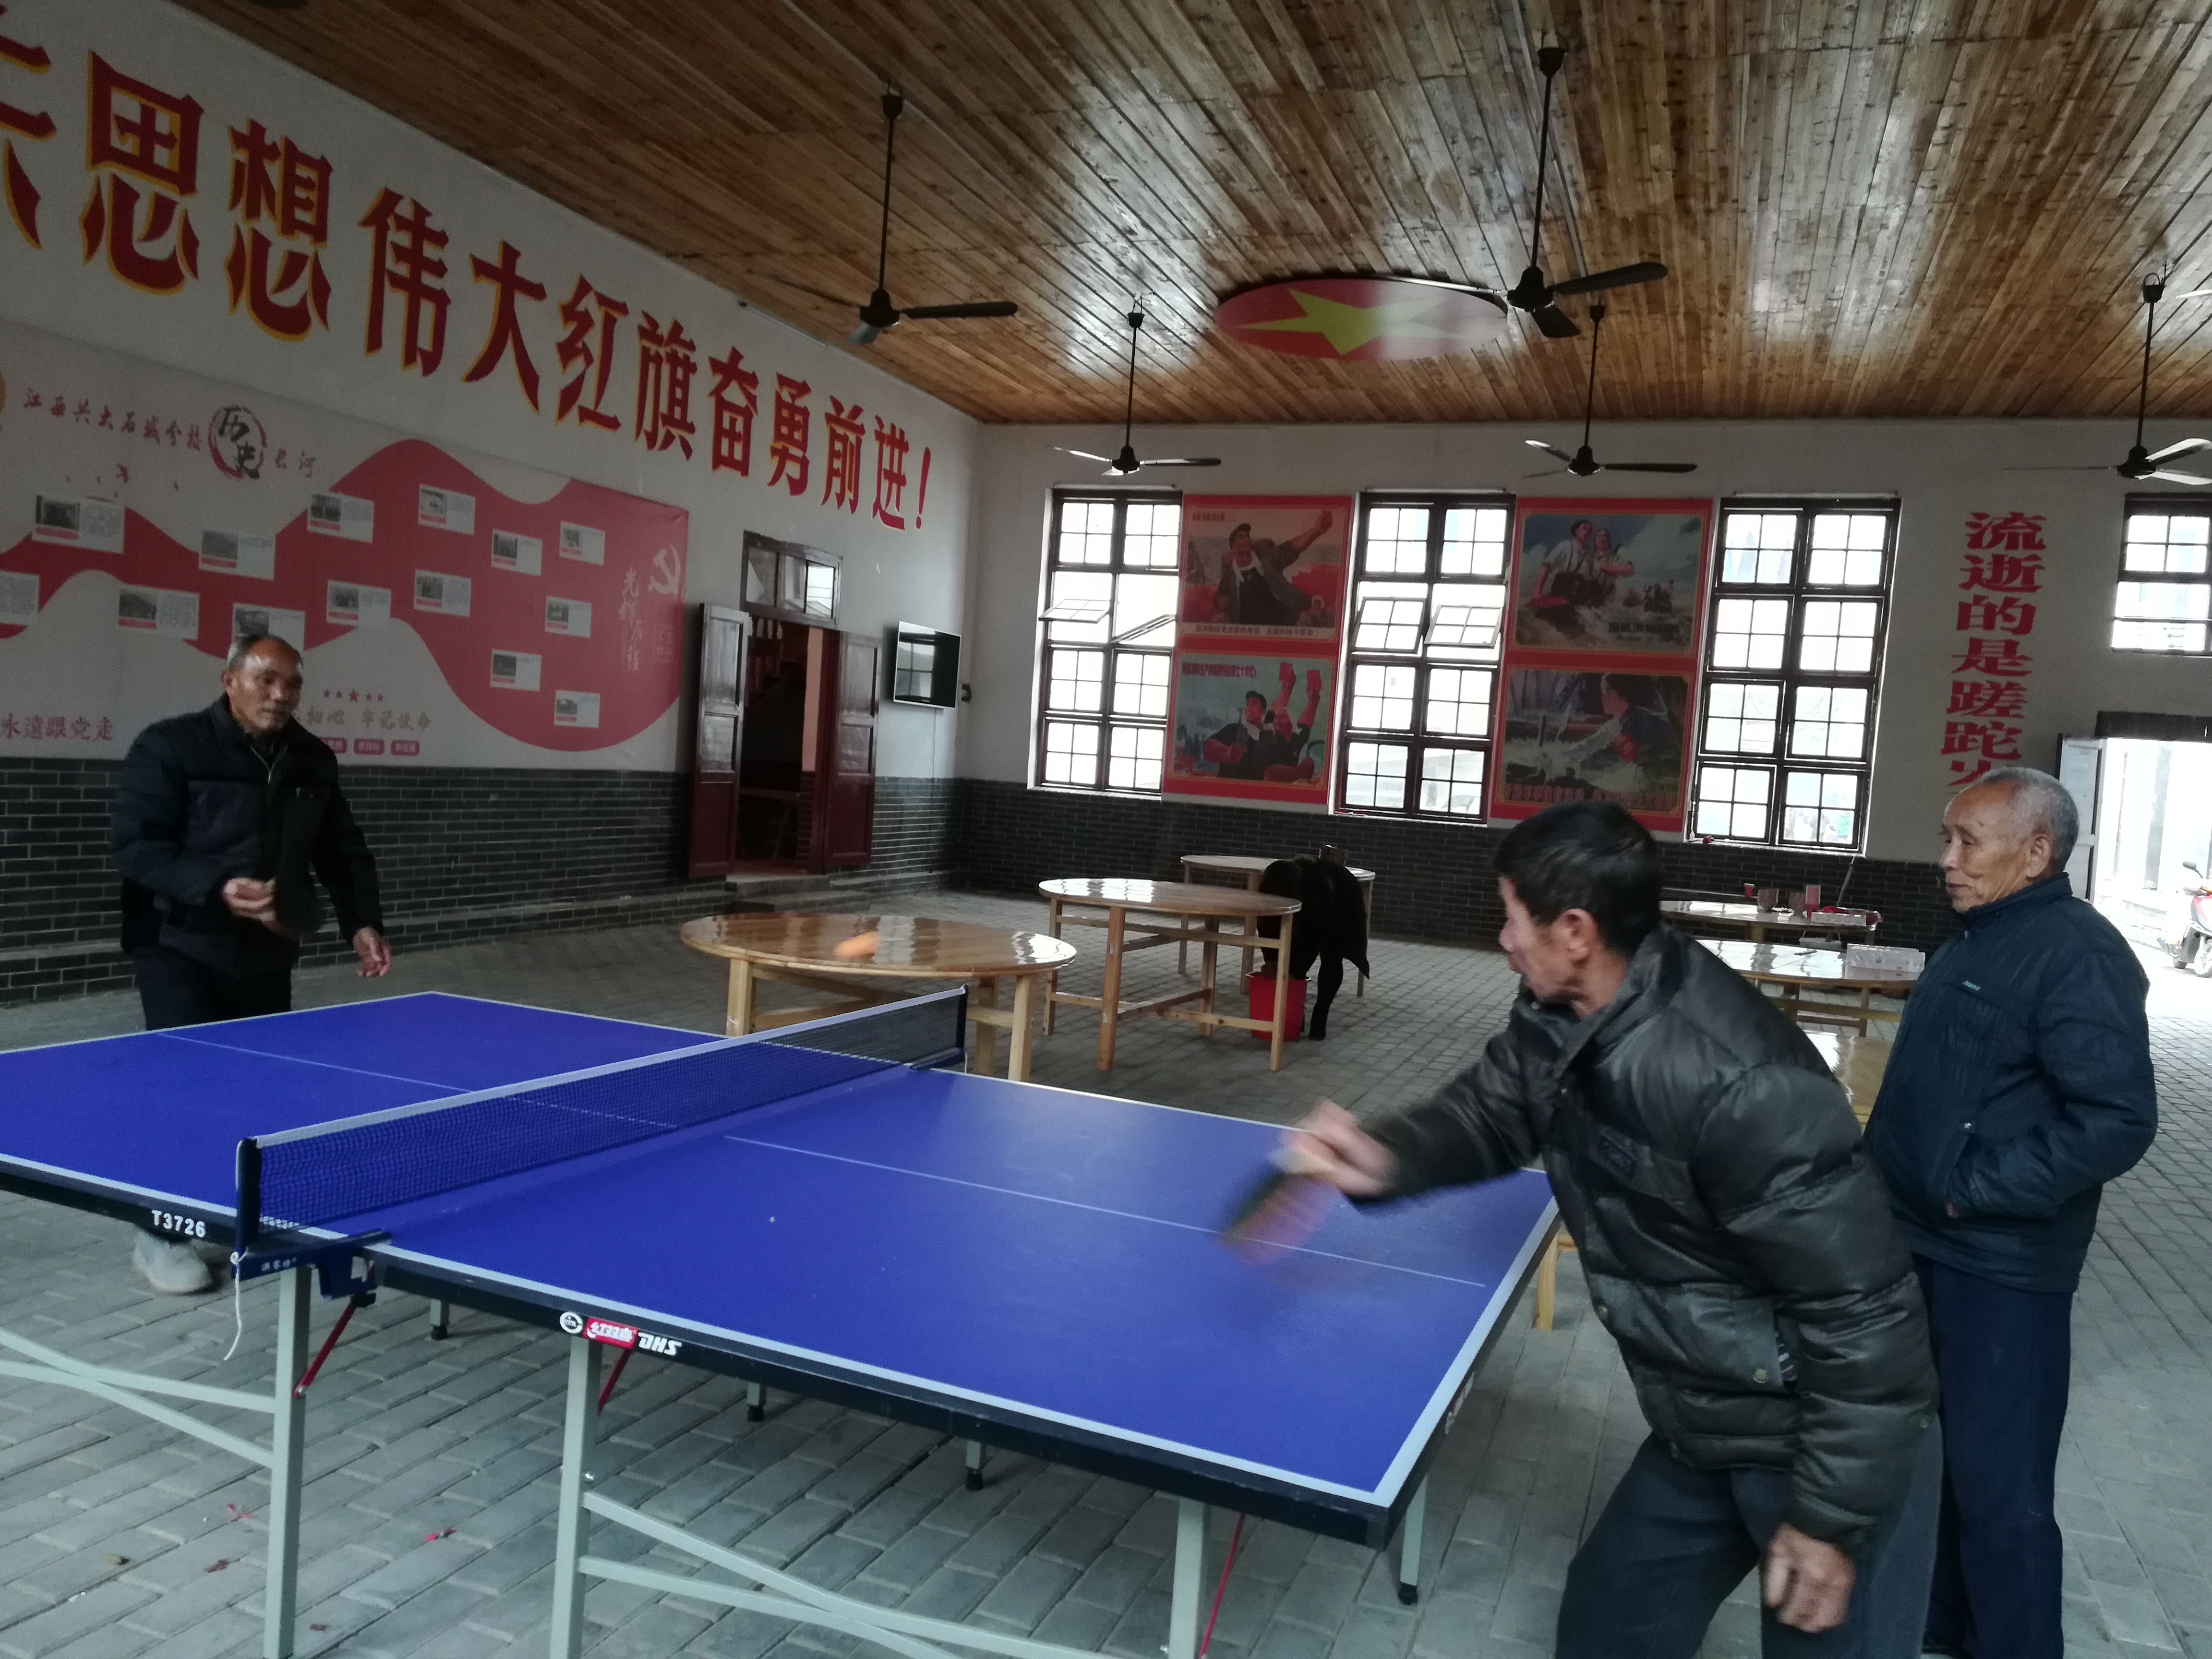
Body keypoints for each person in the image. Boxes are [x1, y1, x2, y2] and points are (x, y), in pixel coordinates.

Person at [1286, 802, 1939, 1658]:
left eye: (1512, 918)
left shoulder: (1745, 1089)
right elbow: (1494, 1110)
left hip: (1826, 1440)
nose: (1502, 940)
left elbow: (1866, 1319)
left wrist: (1828, 1521)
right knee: (1607, 1626)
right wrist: (1385, 1159)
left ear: (1576, 930)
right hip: (1709, 1416)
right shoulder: (1561, 1006)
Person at [1864, 768, 2155, 1659]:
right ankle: (1942, 1623)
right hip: (1920, 1240)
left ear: (2035, 852)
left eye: (1967, 842)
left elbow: (2116, 1119)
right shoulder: (1975, 939)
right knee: (1933, 1458)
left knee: (2000, 1485)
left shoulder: (2078, 955)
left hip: (1998, 1263)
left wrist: (1973, 1189)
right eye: (1946, 838)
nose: (1946, 859)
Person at [110, 634, 390, 1294]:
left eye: (292, 683)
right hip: (177, 944)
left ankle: (227, 1215)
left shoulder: (312, 759)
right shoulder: (170, 746)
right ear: (230, 679)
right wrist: (216, 888)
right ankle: (157, 1235)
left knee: (252, 1092)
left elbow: (342, 851)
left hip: (265, 951)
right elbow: (137, 847)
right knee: (181, 1091)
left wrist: (362, 921)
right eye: (266, 679)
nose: (281, 694)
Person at [1211, 512, 1334, 628]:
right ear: (1233, 546)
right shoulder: (1231, 574)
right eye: (1241, 537)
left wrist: (1316, 531)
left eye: (1248, 536)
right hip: (1249, 631)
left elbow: (1292, 548)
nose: (1246, 539)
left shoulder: (1267, 559)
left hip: (1283, 622)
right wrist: (1226, 570)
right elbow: (1222, 603)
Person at [1202, 689, 1273, 780]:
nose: (1248, 708)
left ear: (1262, 712)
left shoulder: (1269, 737)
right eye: (1247, 705)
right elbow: (1208, 748)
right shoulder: (1235, 729)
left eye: (1253, 704)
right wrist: (1229, 754)